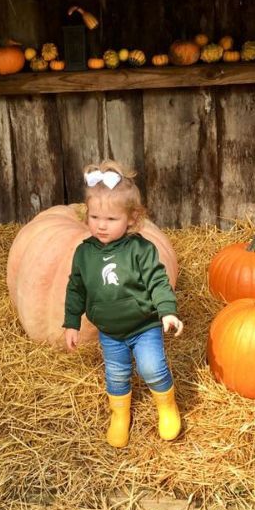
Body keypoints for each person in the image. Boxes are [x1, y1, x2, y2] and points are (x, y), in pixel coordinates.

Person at [63, 160, 184, 448]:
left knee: (151, 367)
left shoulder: (140, 250)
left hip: (144, 325)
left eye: (111, 220)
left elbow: (158, 281)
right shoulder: (84, 254)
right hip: (110, 332)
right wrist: (71, 322)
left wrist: (167, 311)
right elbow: (75, 288)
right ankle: (120, 415)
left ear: (131, 219)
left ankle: (167, 407)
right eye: (94, 217)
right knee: (116, 375)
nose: (101, 226)